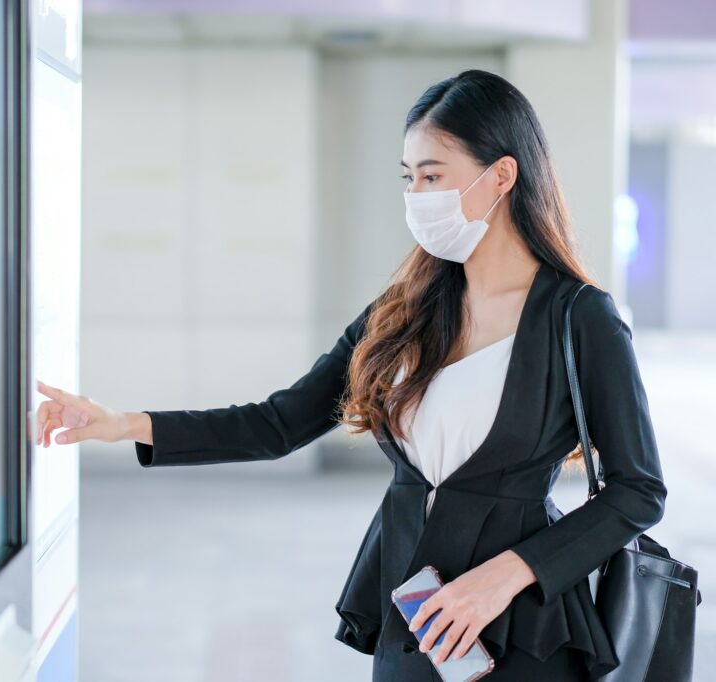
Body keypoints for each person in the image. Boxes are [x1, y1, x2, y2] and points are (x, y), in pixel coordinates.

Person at [34, 69, 667, 681]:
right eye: (409, 177)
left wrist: (504, 576)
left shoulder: (578, 317)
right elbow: (279, 423)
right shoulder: (404, 311)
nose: (416, 196)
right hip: (412, 621)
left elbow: (638, 490)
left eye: (432, 175)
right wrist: (124, 424)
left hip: (522, 635)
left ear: (502, 175)